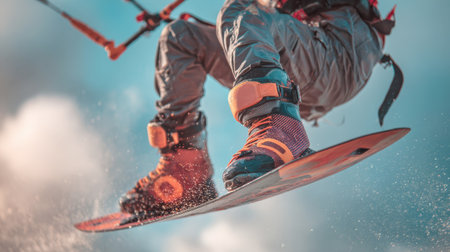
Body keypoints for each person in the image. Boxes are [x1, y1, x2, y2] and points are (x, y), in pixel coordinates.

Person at [119, 0, 396, 215]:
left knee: (241, 11)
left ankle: (282, 129)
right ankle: (186, 168)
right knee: (180, 36)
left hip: (339, 52)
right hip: (293, 62)